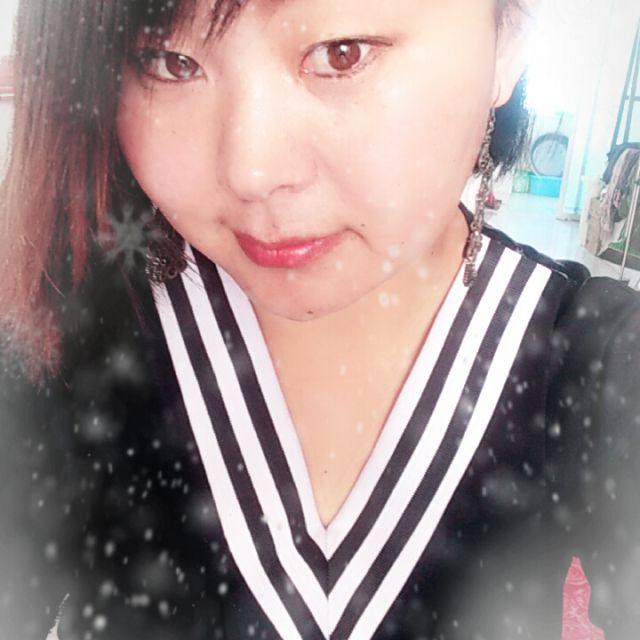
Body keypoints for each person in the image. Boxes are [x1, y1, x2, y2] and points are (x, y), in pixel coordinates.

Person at [1, 0, 639, 639]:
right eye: (170, 62)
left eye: (342, 53)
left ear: (509, 37)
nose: (252, 171)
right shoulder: (60, 340)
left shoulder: (603, 363)